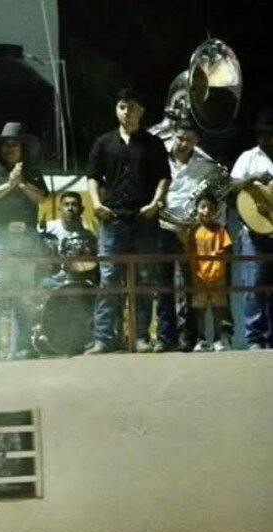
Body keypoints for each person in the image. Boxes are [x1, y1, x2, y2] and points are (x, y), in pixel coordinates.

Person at [84, 87, 170, 354]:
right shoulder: (104, 142)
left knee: (145, 279)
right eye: (122, 106)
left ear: (141, 111)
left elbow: (164, 177)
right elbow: (93, 176)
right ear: (117, 109)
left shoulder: (153, 143)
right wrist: (97, 203)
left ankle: (141, 337)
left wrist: (156, 203)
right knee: (109, 279)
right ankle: (102, 339)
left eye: (132, 107)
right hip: (112, 218)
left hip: (144, 218)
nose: (127, 111)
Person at [0, 122, 48, 360]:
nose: (9, 148)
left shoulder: (32, 171)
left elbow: (41, 197)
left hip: (26, 237)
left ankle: (20, 348)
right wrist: (9, 184)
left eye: (14, 144)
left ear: (22, 147)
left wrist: (21, 183)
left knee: (23, 293)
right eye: (5, 144)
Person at [162, 121, 229, 351]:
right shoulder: (159, 159)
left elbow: (216, 199)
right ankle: (164, 337)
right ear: (173, 136)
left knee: (187, 289)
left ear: (196, 142)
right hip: (162, 228)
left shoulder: (206, 167)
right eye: (179, 138)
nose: (183, 143)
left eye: (188, 140)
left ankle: (188, 339)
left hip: (191, 233)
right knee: (161, 286)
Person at [229, 108, 273, 350]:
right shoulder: (249, 157)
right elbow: (232, 185)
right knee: (254, 285)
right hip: (254, 232)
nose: (266, 139)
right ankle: (255, 338)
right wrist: (253, 178)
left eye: (271, 134)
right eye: (263, 134)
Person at [186, 192, 234, 351]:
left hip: (218, 276)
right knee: (199, 310)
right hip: (199, 276)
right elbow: (188, 253)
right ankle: (200, 339)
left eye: (210, 208)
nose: (206, 211)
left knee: (219, 309)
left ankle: (218, 339)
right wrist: (193, 274)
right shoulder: (192, 231)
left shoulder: (220, 230)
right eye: (203, 207)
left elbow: (228, 251)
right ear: (197, 209)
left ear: (215, 211)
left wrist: (222, 255)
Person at [40, 191, 98, 288]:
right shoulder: (47, 229)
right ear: (60, 208)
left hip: (80, 280)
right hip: (52, 279)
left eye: (74, 205)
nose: (70, 208)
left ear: (81, 209)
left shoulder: (88, 236)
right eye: (66, 205)